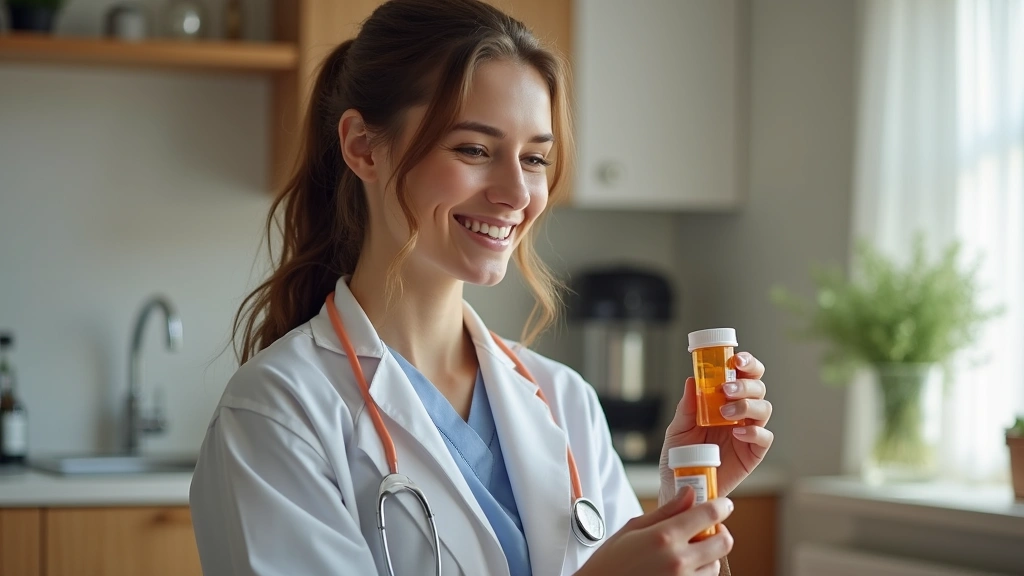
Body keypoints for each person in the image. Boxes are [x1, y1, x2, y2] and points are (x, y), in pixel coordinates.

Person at [188, 0, 774, 574]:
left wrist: (689, 503)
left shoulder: (564, 399)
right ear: (363, 146)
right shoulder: (277, 411)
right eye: (474, 149)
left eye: (535, 159)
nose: (517, 194)